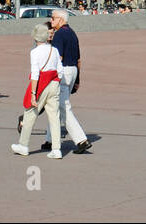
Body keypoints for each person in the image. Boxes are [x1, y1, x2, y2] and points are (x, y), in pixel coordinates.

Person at [12, 23, 64, 159]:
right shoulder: (54, 50)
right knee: (54, 117)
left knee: (30, 114)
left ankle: (23, 145)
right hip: (54, 84)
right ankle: (56, 148)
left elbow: (35, 74)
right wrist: (56, 82)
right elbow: (60, 70)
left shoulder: (34, 52)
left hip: (41, 85)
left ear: (35, 38)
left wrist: (33, 94)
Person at [43, 10, 90, 154]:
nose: (51, 21)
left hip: (63, 72)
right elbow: (79, 60)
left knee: (63, 106)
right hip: (73, 70)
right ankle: (50, 139)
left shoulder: (59, 35)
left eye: (53, 18)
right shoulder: (72, 33)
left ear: (61, 19)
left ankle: (81, 140)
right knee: (55, 106)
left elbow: (58, 58)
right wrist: (77, 80)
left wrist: (49, 76)